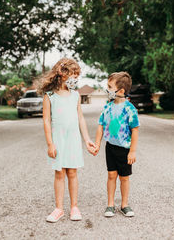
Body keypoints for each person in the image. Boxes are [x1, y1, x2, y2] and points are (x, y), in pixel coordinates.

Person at [40, 58, 96, 223]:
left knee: (72, 172)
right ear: (62, 74)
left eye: (77, 76)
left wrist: (86, 140)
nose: (75, 79)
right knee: (59, 173)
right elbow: (46, 121)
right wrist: (50, 143)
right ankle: (59, 208)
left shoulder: (76, 96)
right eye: (72, 75)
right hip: (58, 139)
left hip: (72, 139)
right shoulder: (49, 96)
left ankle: (74, 207)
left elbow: (80, 118)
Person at [93, 72, 140, 218]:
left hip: (124, 148)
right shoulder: (107, 107)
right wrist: (97, 144)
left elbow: (135, 130)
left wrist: (132, 151)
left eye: (109, 86)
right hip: (110, 147)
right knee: (111, 175)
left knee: (124, 177)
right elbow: (100, 126)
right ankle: (110, 204)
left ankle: (124, 204)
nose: (107, 89)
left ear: (120, 91)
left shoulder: (130, 109)